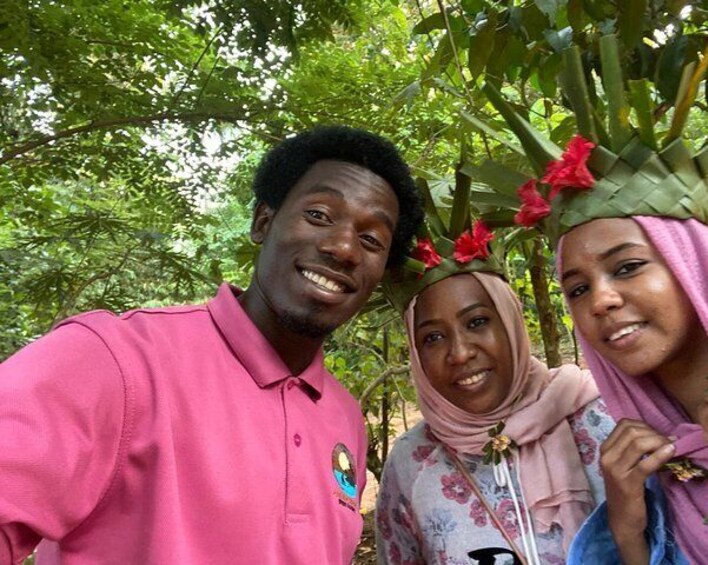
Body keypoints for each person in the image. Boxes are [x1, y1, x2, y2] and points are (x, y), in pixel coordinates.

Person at [478, 37, 708, 564]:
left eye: (627, 267)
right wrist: (629, 532)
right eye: (578, 288)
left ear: (694, 268)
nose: (601, 301)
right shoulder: (655, 450)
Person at [0, 125, 424, 564]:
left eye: (372, 239)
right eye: (318, 214)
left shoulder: (344, 416)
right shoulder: (113, 359)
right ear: (263, 222)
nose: (343, 248)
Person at [375, 219, 615, 564]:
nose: (459, 353)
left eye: (477, 322)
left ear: (511, 322)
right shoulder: (412, 463)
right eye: (433, 337)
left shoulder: (603, 416)